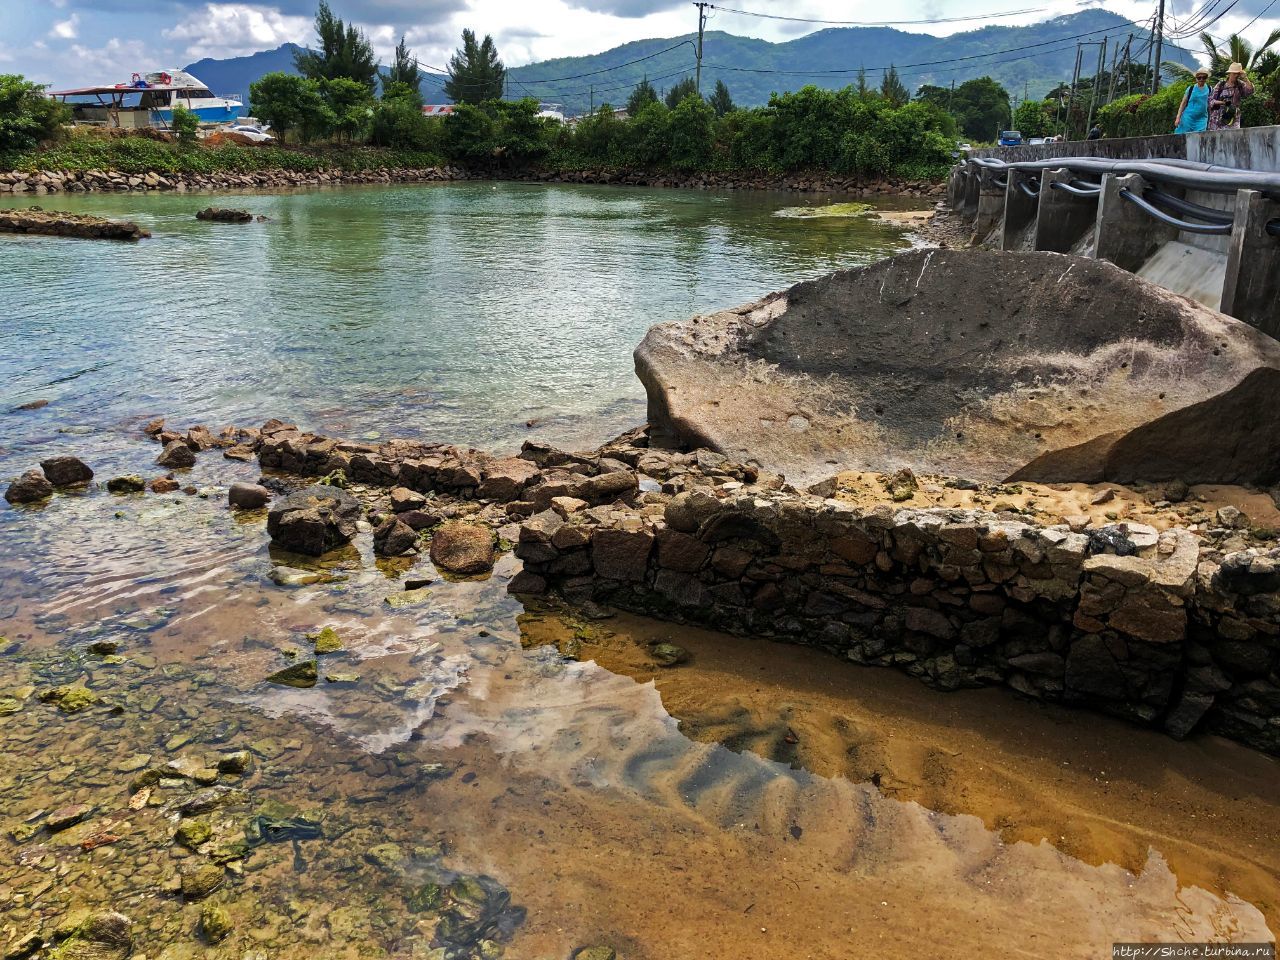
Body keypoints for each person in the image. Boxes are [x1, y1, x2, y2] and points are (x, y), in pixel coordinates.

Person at [1209, 62, 1255, 130]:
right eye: (1234, 73)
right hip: (1218, 119)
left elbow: (1250, 91)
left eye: (1237, 74)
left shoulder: (1240, 85)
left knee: (1234, 137)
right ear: (1229, 73)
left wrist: (1245, 78)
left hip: (1233, 118)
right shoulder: (1221, 84)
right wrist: (1223, 103)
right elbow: (1211, 101)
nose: (1236, 75)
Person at [1175, 68, 1212, 133]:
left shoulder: (1209, 89)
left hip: (1202, 119)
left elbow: (1211, 103)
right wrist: (1178, 117)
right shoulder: (1191, 89)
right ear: (1196, 78)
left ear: (1206, 78)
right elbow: (1183, 104)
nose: (1201, 79)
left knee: (1200, 138)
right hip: (1188, 118)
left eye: (1204, 77)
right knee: (1185, 137)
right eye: (1199, 78)